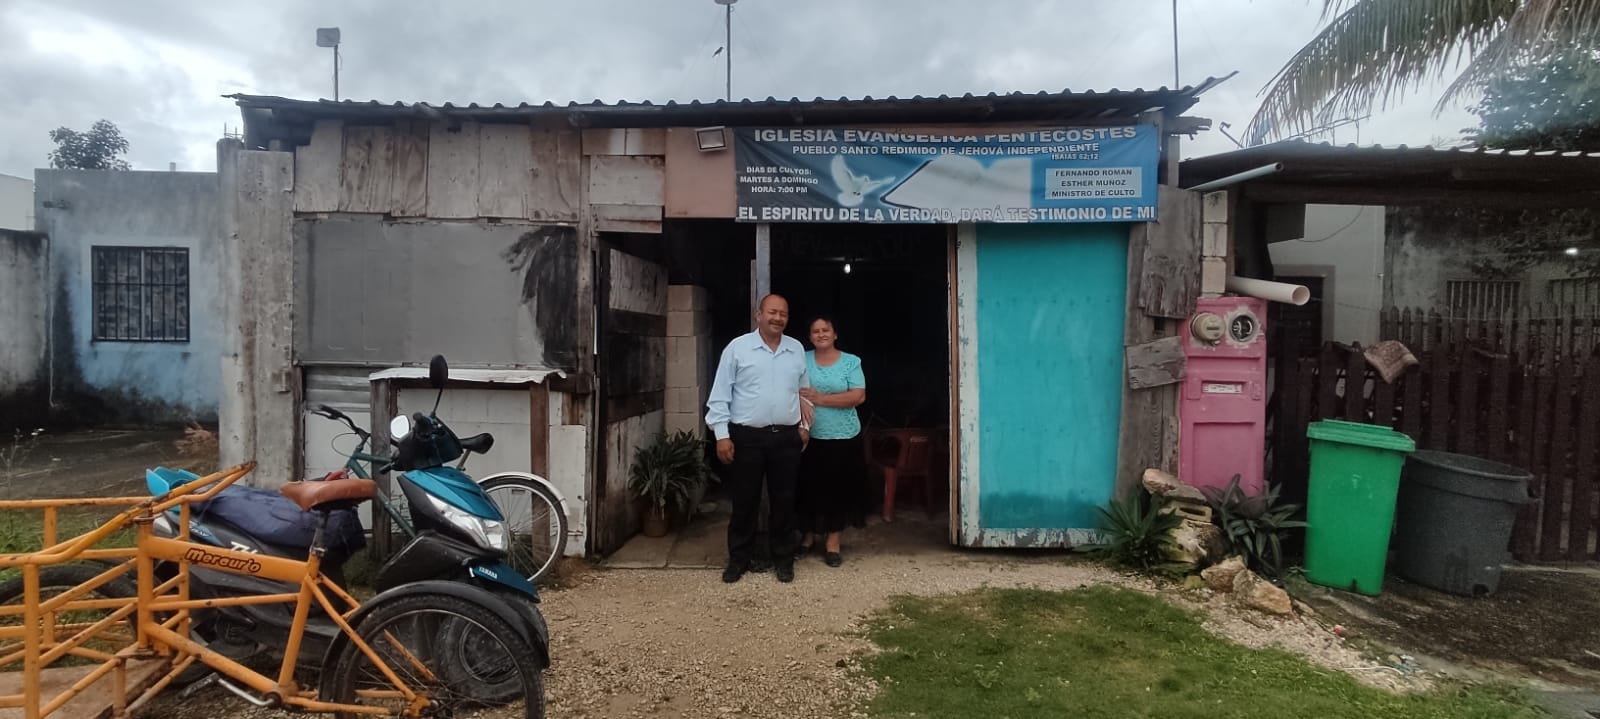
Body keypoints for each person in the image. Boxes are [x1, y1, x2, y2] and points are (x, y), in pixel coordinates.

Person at [705, 294, 812, 584]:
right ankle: (739, 560)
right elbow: (719, 396)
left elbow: (805, 392)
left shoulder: (796, 348)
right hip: (747, 437)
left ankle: (783, 559)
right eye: (772, 312)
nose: (778, 318)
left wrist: (804, 426)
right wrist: (722, 436)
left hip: (786, 438)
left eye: (783, 314)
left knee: (784, 502)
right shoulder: (738, 349)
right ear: (758, 314)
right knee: (744, 502)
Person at [794, 317, 868, 568]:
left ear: (835, 334)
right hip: (808, 435)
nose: (821, 334)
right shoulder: (801, 359)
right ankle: (807, 537)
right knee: (808, 488)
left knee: (838, 490)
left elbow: (858, 396)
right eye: (815, 331)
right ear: (810, 336)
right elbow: (789, 388)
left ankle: (833, 541)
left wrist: (820, 399)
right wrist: (802, 401)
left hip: (843, 436)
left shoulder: (851, 361)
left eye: (826, 330)